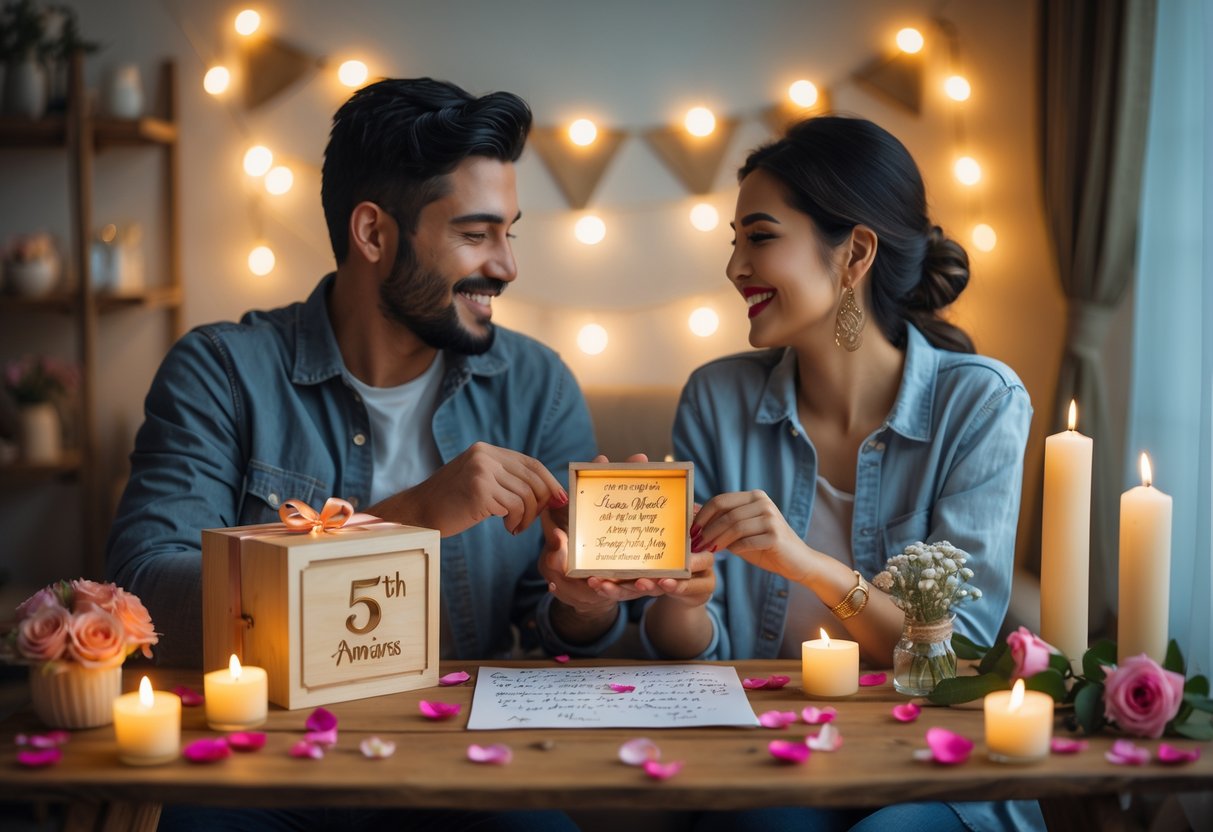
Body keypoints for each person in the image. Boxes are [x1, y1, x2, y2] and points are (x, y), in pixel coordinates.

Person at [106, 76, 630, 670]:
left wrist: (586, 604)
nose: (507, 265)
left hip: (467, 744)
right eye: (475, 234)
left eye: (508, 233)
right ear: (374, 233)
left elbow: (557, 624)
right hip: (284, 738)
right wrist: (407, 520)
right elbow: (144, 595)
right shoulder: (221, 374)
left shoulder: (539, 386)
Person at [625, 115, 1040, 831]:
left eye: (759, 237)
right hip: (771, 756)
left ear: (853, 253)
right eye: (734, 244)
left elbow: (953, 658)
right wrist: (680, 597)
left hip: (928, 762)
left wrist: (807, 565)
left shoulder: (978, 400)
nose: (734, 268)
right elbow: (695, 649)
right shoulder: (715, 398)